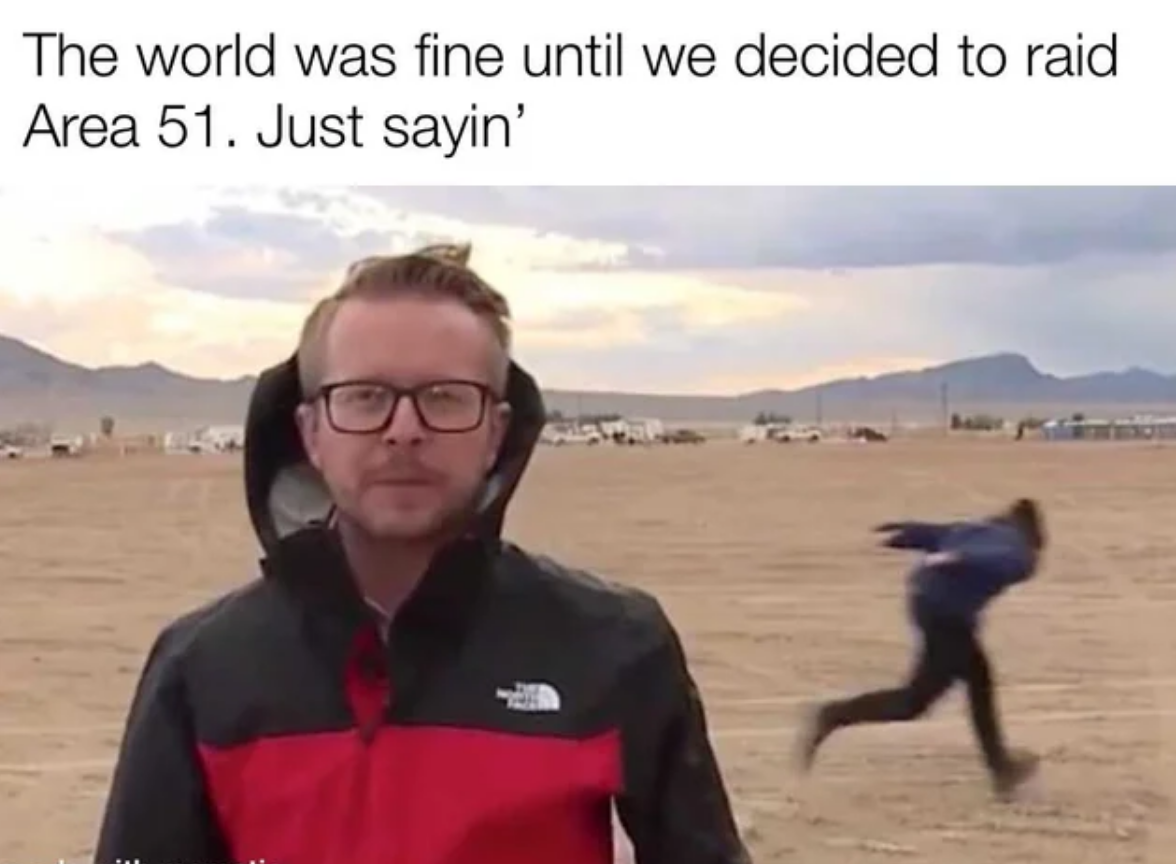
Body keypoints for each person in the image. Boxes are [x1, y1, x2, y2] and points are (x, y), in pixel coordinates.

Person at [93, 243, 751, 864]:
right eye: (365, 397)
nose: (404, 431)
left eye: (445, 397)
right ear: (311, 432)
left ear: (495, 432)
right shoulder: (202, 668)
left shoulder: (614, 644)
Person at [795, 498, 1047, 800]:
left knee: (978, 678)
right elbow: (995, 558)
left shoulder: (979, 528)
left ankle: (1000, 767)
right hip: (945, 613)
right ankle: (833, 714)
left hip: (927, 601)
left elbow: (940, 533)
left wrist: (907, 533)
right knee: (914, 701)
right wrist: (956, 558)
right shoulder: (1020, 554)